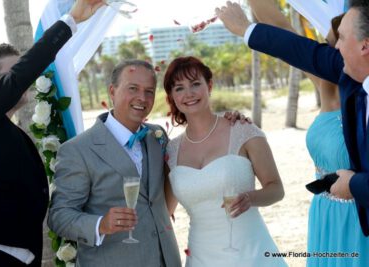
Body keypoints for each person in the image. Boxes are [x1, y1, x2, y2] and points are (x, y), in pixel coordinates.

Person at [216, 0, 369, 240]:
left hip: (358, 220)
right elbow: (293, 45)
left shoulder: (344, 80)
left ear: (364, 45)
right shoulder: (343, 78)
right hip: (327, 217)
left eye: (340, 37)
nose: (334, 46)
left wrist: (353, 185)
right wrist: (245, 27)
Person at [0, 1, 106, 266]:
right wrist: (71, 20)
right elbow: (25, 71)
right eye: (15, 73)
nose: (27, 79)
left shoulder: (7, 131)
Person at [48, 59, 182, 266]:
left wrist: (231, 121)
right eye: (133, 88)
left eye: (149, 91)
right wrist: (101, 224)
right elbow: (60, 217)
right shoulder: (78, 150)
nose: (142, 98)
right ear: (112, 91)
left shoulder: (158, 136)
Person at [163, 56, 286, 267]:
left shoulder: (243, 130)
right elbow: (164, 211)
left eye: (195, 84)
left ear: (209, 86)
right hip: (200, 257)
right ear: (172, 96)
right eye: (179, 88)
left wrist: (250, 197)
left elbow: (276, 189)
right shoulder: (170, 150)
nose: (189, 94)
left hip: (250, 254)